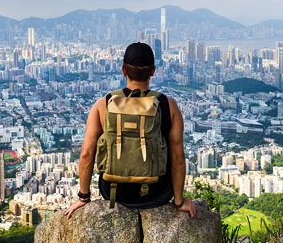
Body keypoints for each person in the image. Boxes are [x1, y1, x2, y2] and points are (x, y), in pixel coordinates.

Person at [65, 42, 196, 219]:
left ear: (123, 70)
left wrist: (83, 196)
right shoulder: (168, 105)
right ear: (153, 71)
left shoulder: (104, 104)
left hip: (114, 193)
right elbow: (178, 158)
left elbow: (87, 153)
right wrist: (179, 201)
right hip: (157, 194)